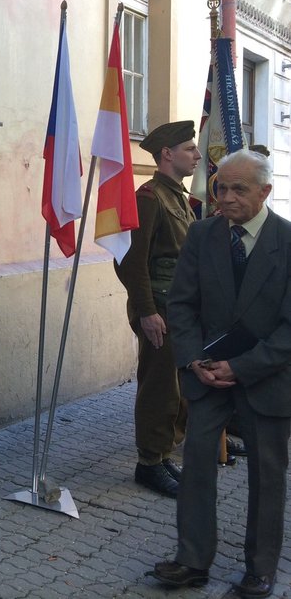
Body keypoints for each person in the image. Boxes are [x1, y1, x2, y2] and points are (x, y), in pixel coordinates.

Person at [149, 149, 291, 598]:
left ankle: (259, 570)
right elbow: (182, 303)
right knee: (195, 468)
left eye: (238, 189)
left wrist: (243, 366)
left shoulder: (287, 242)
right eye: (221, 187)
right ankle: (192, 560)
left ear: (266, 191)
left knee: (266, 477)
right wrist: (193, 360)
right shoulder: (203, 234)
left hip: (266, 381)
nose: (226, 197)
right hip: (207, 378)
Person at [114, 120, 199, 497]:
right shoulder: (148, 198)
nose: (197, 155)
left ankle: (164, 454)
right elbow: (131, 261)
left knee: (177, 388)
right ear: (168, 154)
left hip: (181, 306)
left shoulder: (177, 197)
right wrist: (147, 311)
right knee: (159, 388)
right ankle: (148, 463)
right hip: (160, 308)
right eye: (190, 149)